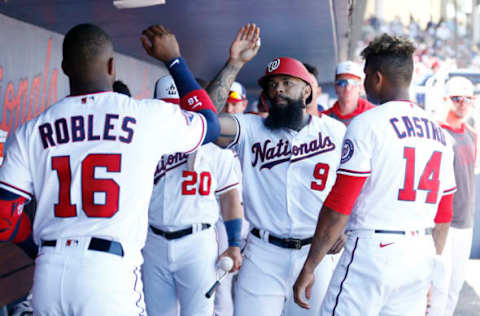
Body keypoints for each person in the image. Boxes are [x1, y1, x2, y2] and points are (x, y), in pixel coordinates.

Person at [0, 23, 220, 316]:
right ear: (112, 66)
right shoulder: (145, 115)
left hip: (49, 273)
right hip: (107, 272)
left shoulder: (31, 130)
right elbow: (210, 122)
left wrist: (36, 249)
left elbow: (4, 217)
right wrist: (174, 60)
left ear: (64, 67)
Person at [293, 33, 457, 316]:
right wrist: (431, 263)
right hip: (419, 250)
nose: (366, 82)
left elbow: (339, 206)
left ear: (378, 78)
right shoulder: (440, 133)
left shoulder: (367, 123)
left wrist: (310, 265)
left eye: (366, 75)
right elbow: (443, 217)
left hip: (372, 251)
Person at [206, 23, 346, 316]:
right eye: (272, 84)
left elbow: (358, 185)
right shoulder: (250, 128)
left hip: (316, 252)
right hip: (263, 254)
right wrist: (234, 64)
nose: (277, 88)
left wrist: (347, 225)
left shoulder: (334, 132)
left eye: (286, 81)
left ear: (307, 91)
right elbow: (207, 121)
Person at [142, 75, 243, 316]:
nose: (174, 113)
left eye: (179, 107)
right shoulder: (145, 141)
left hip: (197, 243)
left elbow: (230, 196)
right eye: (168, 106)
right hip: (153, 240)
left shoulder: (214, 146)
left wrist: (235, 243)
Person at [429, 76, 478, 316]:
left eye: (469, 99)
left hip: (465, 223)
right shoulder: (435, 132)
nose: (463, 103)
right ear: (447, 99)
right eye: (458, 98)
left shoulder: (472, 134)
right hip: (439, 224)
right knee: (436, 288)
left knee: (453, 289)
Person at [322, 60, 374, 125]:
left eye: (354, 82)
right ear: (335, 87)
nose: (348, 88)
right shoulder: (323, 118)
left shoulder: (374, 114)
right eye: (342, 83)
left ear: (360, 87)